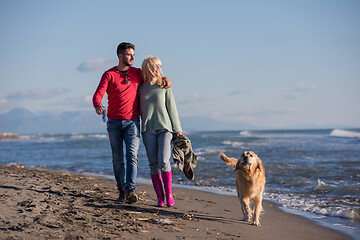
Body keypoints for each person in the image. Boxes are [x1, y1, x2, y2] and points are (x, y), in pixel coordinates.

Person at [92, 43, 171, 204]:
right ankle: (121, 190)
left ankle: (131, 190)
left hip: (132, 122)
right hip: (113, 122)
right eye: (129, 54)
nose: (133, 57)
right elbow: (98, 94)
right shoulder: (109, 74)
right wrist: (98, 105)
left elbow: (152, 77)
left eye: (133, 54)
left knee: (132, 156)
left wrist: (165, 79)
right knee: (117, 158)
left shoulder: (137, 73)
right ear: (120, 56)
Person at [139, 56, 182, 207]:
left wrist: (178, 129)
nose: (158, 68)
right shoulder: (140, 87)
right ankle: (160, 198)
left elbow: (172, 107)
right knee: (153, 164)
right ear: (148, 68)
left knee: (164, 161)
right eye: (155, 66)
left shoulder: (164, 85)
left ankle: (169, 195)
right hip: (147, 129)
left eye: (159, 66)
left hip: (165, 128)